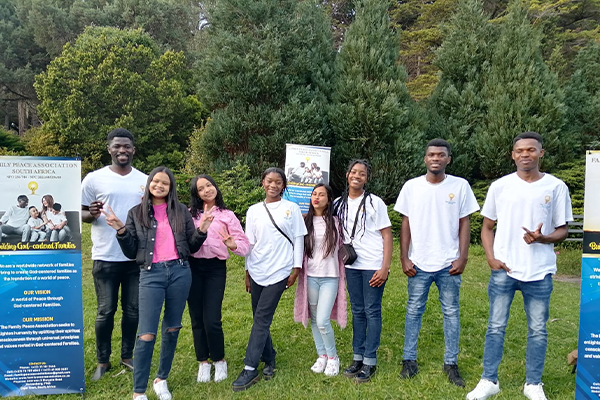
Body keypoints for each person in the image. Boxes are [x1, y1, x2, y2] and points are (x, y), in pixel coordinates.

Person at [467, 132, 573, 400]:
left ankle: (533, 384)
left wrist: (543, 238)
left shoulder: (556, 187)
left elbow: (563, 230)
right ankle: (489, 380)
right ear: (513, 155)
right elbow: (487, 227)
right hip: (504, 269)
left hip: (539, 271)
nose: (526, 154)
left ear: (541, 153)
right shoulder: (500, 186)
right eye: (520, 151)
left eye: (531, 150)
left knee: (537, 330)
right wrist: (490, 258)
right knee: (495, 326)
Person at [103, 166, 212, 400]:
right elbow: (132, 251)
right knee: (146, 334)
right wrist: (121, 230)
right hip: (151, 275)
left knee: (172, 328)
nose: (159, 186)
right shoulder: (136, 213)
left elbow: (191, 246)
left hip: (180, 272)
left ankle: (161, 379)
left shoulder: (180, 211)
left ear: (171, 187)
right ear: (149, 183)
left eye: (165, 183)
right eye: (156, 181)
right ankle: (139, 391)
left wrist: (202, 230)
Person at [394, 139, 480, 387]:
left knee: (451, 312)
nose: (436, 158)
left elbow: (464, 222)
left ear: (448, 159)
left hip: (448, 262)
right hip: (419, 261)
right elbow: (406, 223)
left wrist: (463, 256)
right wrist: (404, 257)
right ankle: (409, 360)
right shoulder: (411, 186)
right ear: (425, 158)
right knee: (413, 311)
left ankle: (451, 363)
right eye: (431, 154)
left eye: (441, 155)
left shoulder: (460, 186)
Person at [232, 167, 307, 392]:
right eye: (269, 181)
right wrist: (247, 272)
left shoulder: (291, 208)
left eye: (278, 182)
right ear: (262, 183)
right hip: (257, 269)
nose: (273, 185)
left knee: (262, 318)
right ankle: (269, 357)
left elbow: (299, 239)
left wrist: (296, 268)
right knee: (259, 317)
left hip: (280, 270)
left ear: (283, 185)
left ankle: (250, 367)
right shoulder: (253, 210)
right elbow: (249, 244)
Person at [81, 128, 148, 380]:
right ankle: (102, 361)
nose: (122, 150)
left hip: (135, 257)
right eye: (117, 146)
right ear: (109, 148)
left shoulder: (144, 180)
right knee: (105, 311)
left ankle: (127, 356)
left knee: (132, 311)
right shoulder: (93, 179)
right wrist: (91, 214)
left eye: (127, 146)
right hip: (105, 255)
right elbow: (82, 213)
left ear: (134, 150)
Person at [334, 159, 392, 383]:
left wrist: (385, 267)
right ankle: (357, 356)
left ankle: (370, 360)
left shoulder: (375, 202)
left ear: (367, 178)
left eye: (362, 173)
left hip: (373, 265)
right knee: (358, 311)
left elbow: (387, 234)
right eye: (353, 172)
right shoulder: (338, 203)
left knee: (372, 311)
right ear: (347, 174)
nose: (357, 176)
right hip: (351, 264)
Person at [188, 174, 250, 383]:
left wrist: (233, 245)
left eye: (209, 185)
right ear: (196, 194)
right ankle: (203, 362)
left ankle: (219, 360)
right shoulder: (189, 214)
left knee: (212, 319)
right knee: (196, 318)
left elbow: (243, 245)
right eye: (201, 188)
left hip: (215, 268)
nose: (207, 190)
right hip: (193, 268)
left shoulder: (227, 215)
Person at [293, 183, 347, 376]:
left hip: (330, 277)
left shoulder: (336, 222)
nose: (316, 197)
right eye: (314, 194)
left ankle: (333, 357)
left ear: (329, 199)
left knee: (323, 320)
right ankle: (321, 355)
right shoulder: (304, 221)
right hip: (311, 276)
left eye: (321, 195)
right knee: (315, 319)